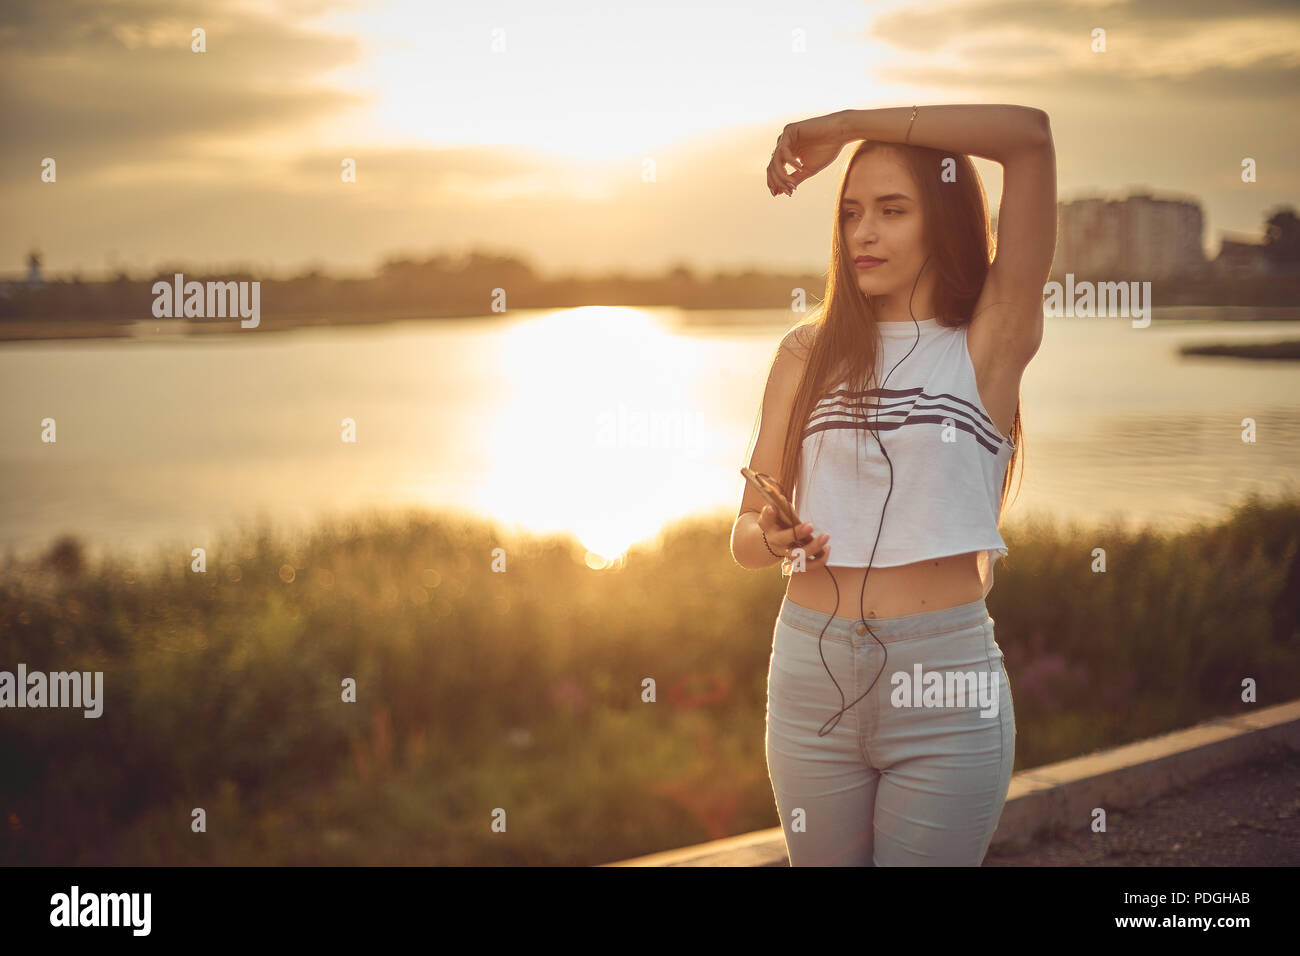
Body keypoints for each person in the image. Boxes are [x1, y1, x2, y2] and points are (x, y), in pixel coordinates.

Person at [732, 104, 1056, 865]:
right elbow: (745, 534)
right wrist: (770, 534)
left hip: (943, 683)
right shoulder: (805, 353)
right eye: (850, 213)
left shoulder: (989, 342)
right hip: (809, 673)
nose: (863, 233)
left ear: (940, 221)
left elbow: (1031, 138)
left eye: (891, 210)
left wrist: (846, 125)